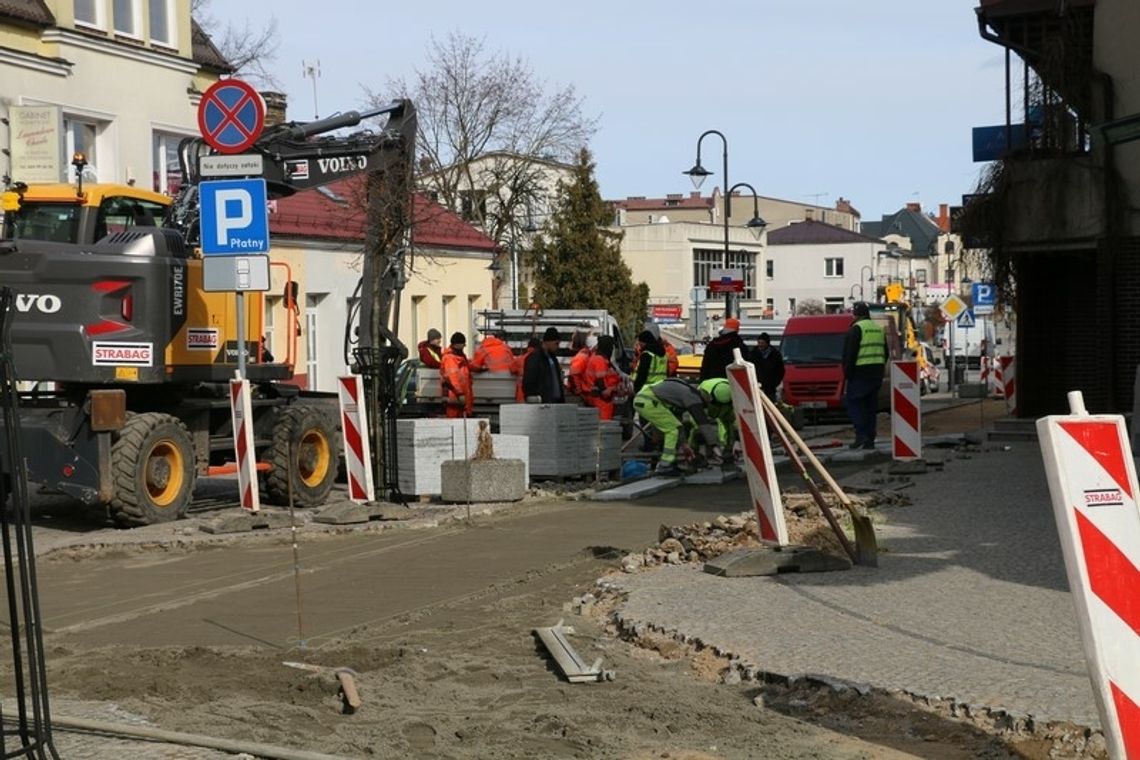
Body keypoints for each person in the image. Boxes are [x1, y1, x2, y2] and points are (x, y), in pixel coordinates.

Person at [633, 377, 720, 476]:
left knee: (673, 429)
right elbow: (702, 422)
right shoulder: (692, 397)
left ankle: (664, 463)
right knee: (672, 430)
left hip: (647, 400)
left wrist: (685, 445)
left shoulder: (681, 395)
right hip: (649, 401)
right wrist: (714, 446)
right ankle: (665, 466)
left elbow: (679, 425)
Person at [842, 302, 887, 449]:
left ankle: (861, 434)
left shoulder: (856, 329)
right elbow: (885, 352)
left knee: (853, 403)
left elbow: (849, 355)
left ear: (856, 314)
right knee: (870, 407)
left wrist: (847, 374)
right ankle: (870, 439)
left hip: (860, 373)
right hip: (876, 373)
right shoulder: (878, 329)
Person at [582, 335, 624, 420]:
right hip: (601, 401)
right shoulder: (599, 360)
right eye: (611, 347)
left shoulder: (598, 358)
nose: (612, 350)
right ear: (607, 347)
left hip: (599, 399)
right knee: (604, 427)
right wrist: (613, 389)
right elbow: (601, 384)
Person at [523, 327, 565, 403]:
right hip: (543, 403)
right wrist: (535, 398)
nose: (558, 346)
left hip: (553, 401)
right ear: (548, 342)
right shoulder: (535, 358)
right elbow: (529, 380)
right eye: (556, 343)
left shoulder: (552, 358)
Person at [697, 377, 736, 453]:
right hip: (707, 404)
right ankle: (697, 449)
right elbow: (698, 417)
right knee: (698, 427)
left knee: (730, 423)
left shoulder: (733, 390)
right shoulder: (702, 392)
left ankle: (728, 446)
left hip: (725, 404)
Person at [439, 332, 473, 418]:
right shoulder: (450, 358)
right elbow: (452, 378)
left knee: (460, 422)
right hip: (454, 395)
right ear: (458, 344)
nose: (464, 346)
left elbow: (466, 369)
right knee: (453, 421)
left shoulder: (459, 357)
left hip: (459, 395)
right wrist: (460, 393)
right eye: (463, 344)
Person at [750, 332, 785, 398]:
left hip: (770, 388)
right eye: (759, 343)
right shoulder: (753, 354)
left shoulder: (775, 355)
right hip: (756, 386)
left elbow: (781, 370)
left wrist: (774, 383)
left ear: (767, 343)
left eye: (762, 343)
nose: (760, 345)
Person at [565, 330, 594, 398]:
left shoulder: (580, 357)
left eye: (572, 340)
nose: (571, 342)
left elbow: (574, 376)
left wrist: (579, 392)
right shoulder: (587, 355)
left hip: (584, 395)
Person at [514, 337, 541, 402]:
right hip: (537, 397)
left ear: (528, 347)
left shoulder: (519, 359)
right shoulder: (541, 360)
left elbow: (512, 369)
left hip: (521, 396)